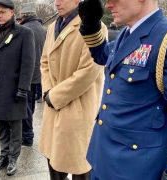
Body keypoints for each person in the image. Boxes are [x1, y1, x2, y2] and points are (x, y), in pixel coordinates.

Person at [78, 0, 167, 179]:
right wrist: (91, 25)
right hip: (103, 159)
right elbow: (103, 55)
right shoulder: (127, 33)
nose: (108, 5)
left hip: (136, 168)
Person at [38, 0, 106, 179]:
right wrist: (47, 91)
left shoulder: (95, 27)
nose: (56, 3)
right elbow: (44, 61)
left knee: (79, 165)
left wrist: (55, 96)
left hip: (78, 107)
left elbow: (89, 71)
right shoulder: (53, 26)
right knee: (53, 161)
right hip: (52, 106)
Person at [0, 0, 35, 176]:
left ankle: (13, 158)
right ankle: (3, 155)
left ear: (12, 12)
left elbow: (28, 63)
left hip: (14, 88)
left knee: (15, 125)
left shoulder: (24, 33)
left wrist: (23, 88)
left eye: (3, 12)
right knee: (1, 123)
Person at [18, 2, 46, 147]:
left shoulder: (24, 29)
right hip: (38, 74)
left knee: (25, 107)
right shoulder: (43, 29)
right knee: (30, 106)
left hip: (26, 74)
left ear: (23, 15)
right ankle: (28, 134)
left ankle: (27, 136)